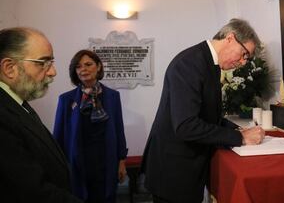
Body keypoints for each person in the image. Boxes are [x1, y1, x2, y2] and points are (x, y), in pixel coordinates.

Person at [141, 18, 266, 203]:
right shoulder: (189, 63)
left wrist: (237, 130)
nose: (242, 62)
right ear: (230, 38)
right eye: (244, 54)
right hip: (173, 170)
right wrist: (240, 138)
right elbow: (186, 125)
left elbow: (208, 115)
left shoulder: (209, 63)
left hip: (185, 167)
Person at [0, 27, 82, 203]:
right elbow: (31, 192)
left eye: (51, 62)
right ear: (9, 68)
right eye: (43, 62)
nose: (53, 72)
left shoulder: (17, 102)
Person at [53, 50, 128, 203]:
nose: (83, 69)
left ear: (98, 67)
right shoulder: (66, 100)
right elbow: (58, 136)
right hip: (78, 164)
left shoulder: (113, 96)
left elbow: (119, 130)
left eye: (88, 64)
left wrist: (121, 161)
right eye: (78, 66)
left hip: (106, 162)